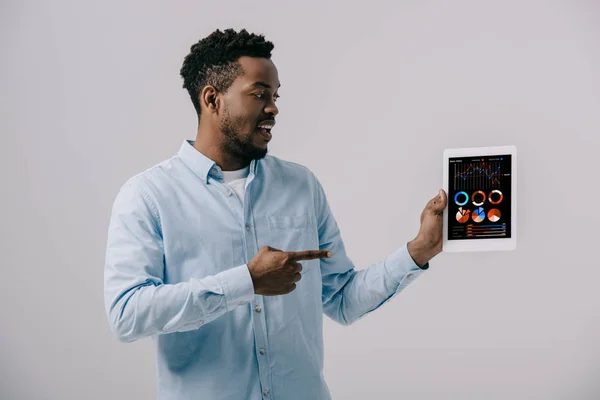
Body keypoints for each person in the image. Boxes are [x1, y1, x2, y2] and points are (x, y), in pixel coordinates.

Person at [104, 28, 448, 400]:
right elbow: (127, 313)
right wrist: (245, 281)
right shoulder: (149, 196)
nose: (273, 107)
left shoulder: (301, 186)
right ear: (212, 99)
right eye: (259, 94)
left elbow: (343, 299)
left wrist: (419, 251)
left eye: (275, 95)